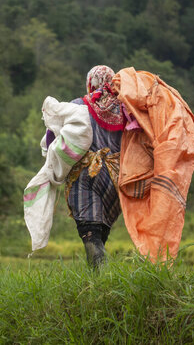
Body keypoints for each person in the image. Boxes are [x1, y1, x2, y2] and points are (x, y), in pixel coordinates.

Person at [65, 65, 125, 267]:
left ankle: (101, 279)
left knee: (90, 233)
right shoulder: (125, 109)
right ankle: (98, 282)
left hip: (88, 175)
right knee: (101, 231)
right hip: (116, 179)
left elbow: (55, 138)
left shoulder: (79, 105)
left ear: (90, 83)